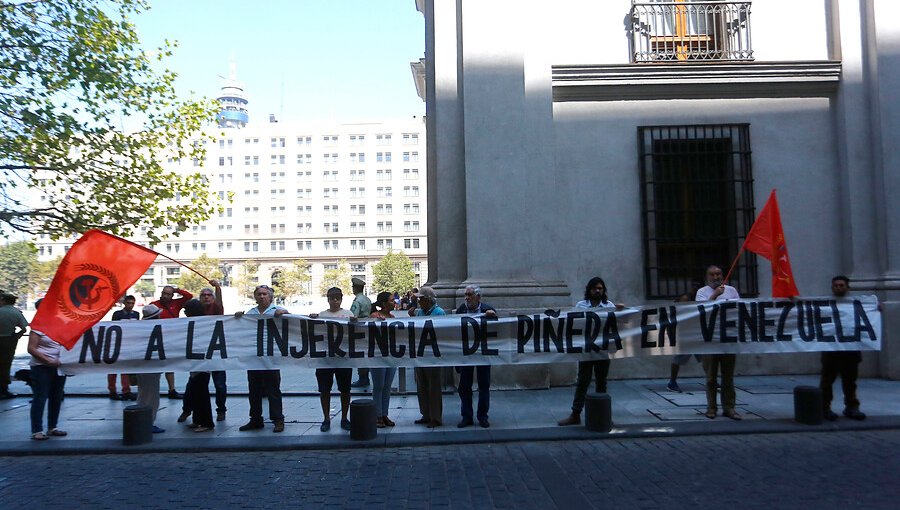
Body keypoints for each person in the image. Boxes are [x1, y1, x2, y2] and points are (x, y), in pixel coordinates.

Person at [558, 277, 625, 426]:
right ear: (589, 290)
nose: (597, 291)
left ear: (604, 290)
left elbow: (622, 323)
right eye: (595, 288)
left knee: (602, 382)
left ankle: (603, 414)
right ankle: (575, 414)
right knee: (583, 381)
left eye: (600, 288)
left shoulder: (609, 305)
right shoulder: (581, 306)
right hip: (586, 350)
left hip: (602, 350)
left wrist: (621, 311)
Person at [234, 285, 287, 433]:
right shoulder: (250, 313)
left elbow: (292, 322)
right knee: (254, 390)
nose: (262, 296)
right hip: (254, 358)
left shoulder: (278, 310)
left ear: (270, 296)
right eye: (259, 294)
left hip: (271, 358)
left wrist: (284, 312)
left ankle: (278, 420)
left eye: (264, 294)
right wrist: (238, 318)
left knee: (273, 390)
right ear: (255, 296)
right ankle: (256, 419)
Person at [696, 265, 742, 420]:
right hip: (710, 341)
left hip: (728, 340)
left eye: (718, 273)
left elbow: (739, 311)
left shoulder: (732, 291)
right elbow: (702, 312)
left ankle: (729, 408)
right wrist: (715, 295)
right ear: (707, 277)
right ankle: (711, 408)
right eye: (712, 274)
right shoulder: (702, 292)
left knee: (728, 377)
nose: (716, 277)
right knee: (711, 377)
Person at [820, 275, 866, 421]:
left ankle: (852, 406)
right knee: (827, 380)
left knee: (850, 380)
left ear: (847, 287)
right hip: (831, 349)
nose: (839, 288)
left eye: (841, 285)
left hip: (851, 349)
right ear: (832, 287)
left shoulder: (858, 304)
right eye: (836, 285)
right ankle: (824, 407)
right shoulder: (825, 304)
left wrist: (876, 309)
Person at [309, 287, 355, 432]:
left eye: (337, 298)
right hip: (325, 359)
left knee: (345, 390)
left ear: (341, 299)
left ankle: (344, 418)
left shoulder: (348, 314)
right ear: (328, 299)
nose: (335, 300)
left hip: (343, 358)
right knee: (324, 390)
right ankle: (326, 418)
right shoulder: (322, 315)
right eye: (332, 298)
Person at [454, 285, 497, 428]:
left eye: (470, 295)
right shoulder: (461, 310)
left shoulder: (487, 310)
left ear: (478, 297)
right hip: (466, 354)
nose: (466, 298)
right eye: (465, 295)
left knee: (483, 385)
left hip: (483, 354)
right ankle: (467, 416)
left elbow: (498, 329)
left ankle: (482, 416)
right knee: (464, 386)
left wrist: (493, 317)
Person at [26, 299, 67, 440]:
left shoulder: (61, 325)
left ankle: (52, 427)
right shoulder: (38, 327)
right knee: (40, 397)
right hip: (41, 367)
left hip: (58, 366)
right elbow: (31, 348)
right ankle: (37, 430)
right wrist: (48, 360)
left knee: (56, 397)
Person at [150, 285, 193, 399]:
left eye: (169, 294)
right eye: (164, 293)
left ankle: (171, 389)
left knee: (169, 364)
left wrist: (177, 289)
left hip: (172, 338)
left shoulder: (176, 304)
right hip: (158, 338)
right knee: (156, 365)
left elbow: (189, 296)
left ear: (172, 295)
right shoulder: (154, 305)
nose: (165, 296)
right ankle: (153, 389)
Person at [412, 286, 445, 428]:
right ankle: (425, 414)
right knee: (422, 386)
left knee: (434, 387)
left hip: (433, 356)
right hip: (421, 355)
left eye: (421, 299)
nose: (419, 301)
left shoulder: (439, 313)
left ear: (428, 300)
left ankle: (435, 417)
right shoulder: (420, 313)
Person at [135, 303, 166, 433]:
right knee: (151, 396)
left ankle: (141, 420)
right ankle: (148, 422)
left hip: (142, 367)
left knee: (143, 394)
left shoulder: (139, 329)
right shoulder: (153, 330)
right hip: (150, 367)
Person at [200, 283, 228, 422]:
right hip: (199, 351)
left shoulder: (216, 308)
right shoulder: (196, 310)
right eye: (203, 295)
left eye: (209, 295)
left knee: (220, 384)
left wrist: (217, 287)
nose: (206, 297)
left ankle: (221, 410)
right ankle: (188, 409)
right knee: (196, 384)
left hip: (216, 352)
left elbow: (220, 301)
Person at [667, 284, 702, 393]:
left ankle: (712, 380)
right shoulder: (685, 301)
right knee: (679, 359)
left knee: (706, 357)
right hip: (686, 337)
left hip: (695, 336)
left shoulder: (697, 301)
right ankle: (672, 382)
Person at [369, 291, 397, 428]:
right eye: (391, 300)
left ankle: (384, 414)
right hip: (377, 357)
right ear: (384, 304)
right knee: (378, 386)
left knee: (387, 386)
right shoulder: (374, 316)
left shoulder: (392, 317)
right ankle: (377, 415)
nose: (394, 302)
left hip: (390, 356)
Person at [108, 295, 139, 401]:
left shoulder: (136, 314)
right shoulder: (117, 314)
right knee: (113, 367)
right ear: (125, 303)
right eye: (128, 303)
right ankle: (112, 390)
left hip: (129, 343)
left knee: (125, 367)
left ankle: (126, 390)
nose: (130, 305)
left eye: (132, 303)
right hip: (117, 343)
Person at [0, 291, 28, 400]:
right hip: (9, 340)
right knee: (5, 365)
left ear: (3, 300)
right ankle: (4, 388)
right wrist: (17, 336)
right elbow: (24, 327)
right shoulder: (16, 313)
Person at [349, 277, 372, 388]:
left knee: (360, 355)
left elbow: (353, 316)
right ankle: (365, 377)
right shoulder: (367, 299)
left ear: (355, 288)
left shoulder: (357, 301)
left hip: (358, 330)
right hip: (367, 329)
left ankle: (363, 378)